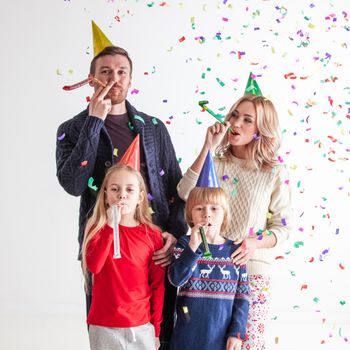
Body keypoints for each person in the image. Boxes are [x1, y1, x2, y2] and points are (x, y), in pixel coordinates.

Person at [56, 45, 187, 348]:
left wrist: (174, 236)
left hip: (152, 248)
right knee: (105, 330)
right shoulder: (72, 129)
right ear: (92, 79)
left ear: (130, 78)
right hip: (102, 250)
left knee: (158, 333)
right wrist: (93, 122)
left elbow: (174, 189)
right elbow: (73, 184)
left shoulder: (154, 129)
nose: (114, 78)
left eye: (121, 72)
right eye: (105, 72)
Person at [177, 94, 293, 349]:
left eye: (247, 120)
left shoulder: (274, 172)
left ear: (261, 130)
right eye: (234, 115)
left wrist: (254, 242)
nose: (236, 123)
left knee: (247, 344)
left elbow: (283, 228)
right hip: (207, 271)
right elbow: (185, 192)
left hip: (251, 270)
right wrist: (208, 146)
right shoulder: (215, 164)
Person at [82, 164, 165, 349]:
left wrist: (156, 330)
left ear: (140, 197)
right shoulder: (97, 230)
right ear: (105, 195)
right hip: (104, 325)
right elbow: (94, 267)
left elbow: (157, 285)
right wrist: (111, 227)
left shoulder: (152, 236)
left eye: (129, 189)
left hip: (141, 325)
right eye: (115, 189)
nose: (122, 195)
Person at [168, 186, 250, 350]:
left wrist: (237, 333)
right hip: (186, 337)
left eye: (214, 208)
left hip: (221, 339)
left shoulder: (235, 251)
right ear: (191, 216)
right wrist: (192, 248)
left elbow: (243, 298)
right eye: (199, 208)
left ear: (224, 214)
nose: (207, 213)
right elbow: (175, 279)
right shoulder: (184, 245)